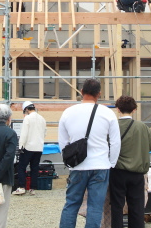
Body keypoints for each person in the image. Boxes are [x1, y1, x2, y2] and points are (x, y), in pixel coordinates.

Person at [58, 78, 121, 228]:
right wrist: (111, 163)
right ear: (99, 94)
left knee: (72, 204)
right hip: (100, 165)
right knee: (95, 206)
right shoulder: (108, 113)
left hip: (77, 166)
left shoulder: (68, 112)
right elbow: (115, 142)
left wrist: (69, 162)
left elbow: (62, 143)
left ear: (81, 92)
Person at [109, 95, 151, 228]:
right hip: (137, 172)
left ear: (117, 109)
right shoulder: (141, 127)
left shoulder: (113, 126)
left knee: (116, 206)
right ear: (134, 109)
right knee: (137, 207)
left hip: (117, 171)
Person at [13, 101, 47, 196]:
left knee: (21, 167)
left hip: (28, 147)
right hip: (39, 147)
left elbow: (24, 134)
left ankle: (22, 187)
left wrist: (21, 146)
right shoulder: (42, 119)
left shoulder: (27, 118)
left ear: (26, 109)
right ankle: (32, 188)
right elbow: (45, 133)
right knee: (34, 168)